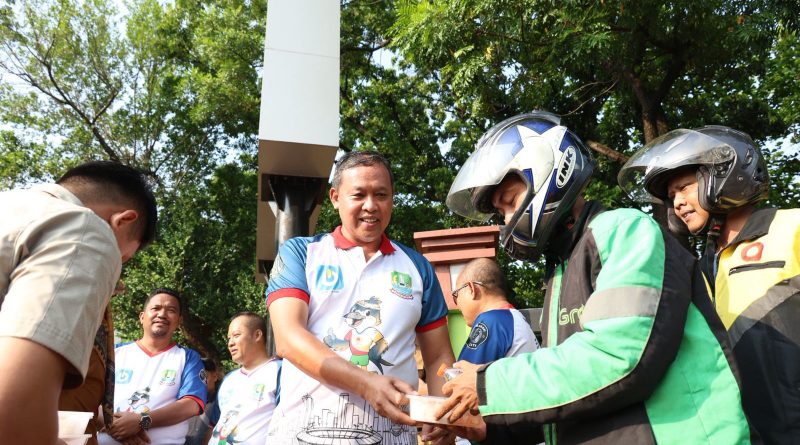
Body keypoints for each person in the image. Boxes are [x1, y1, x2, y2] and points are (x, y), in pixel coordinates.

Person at [434, 111, 756, 444]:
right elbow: (572, 393)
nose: (508, 220)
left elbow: (619, 359)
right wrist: (486, 427)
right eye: (502, 213)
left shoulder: (625, 231)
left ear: (549, 173)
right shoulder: (561, 269)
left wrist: (487, 385)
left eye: (510, 202)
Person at [618, 126, 800, 443]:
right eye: (672, 196)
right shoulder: (698, 270)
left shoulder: (790, 227)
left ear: (726, 174)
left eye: (684, 187)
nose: (677, 202)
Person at [264, 150, 455, 445]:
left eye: (381, 194)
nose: (370, 206)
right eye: (358, 195)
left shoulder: (418, 268)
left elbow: (439, 356)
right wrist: (366, 384)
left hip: (392, 436)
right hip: (301, 434)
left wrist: (442, 415)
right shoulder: (300, 253)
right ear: (335, 197)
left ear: (392, 198)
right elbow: (288, 338)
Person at [0, 160, 157, 444]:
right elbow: (15, 407)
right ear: (123, 221)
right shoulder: (86, 230)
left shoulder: (11, 206)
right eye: (124, 258)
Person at [98, 288, 207, 445]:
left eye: (171, 310)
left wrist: (142, 421)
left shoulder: (188, 358)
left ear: (179, 321)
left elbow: (191, 405)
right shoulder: (114, 353)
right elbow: (90, 399)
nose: (162, 314)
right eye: (156, 308)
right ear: (142, 317)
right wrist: (115, 427)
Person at [204, 312, 281, 445]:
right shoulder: (228, 379)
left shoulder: (280, 371)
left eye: (236, 335)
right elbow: (214, 425)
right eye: (229, 338)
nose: (230, 343)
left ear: (257, 335)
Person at [452, 257, 539, 365]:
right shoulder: (512, 319)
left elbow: (462, 378)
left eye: (456, 295)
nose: (458, 306)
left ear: (471, 289)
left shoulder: (491, 321)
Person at [184, 358, 221, 445]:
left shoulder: (222, 403)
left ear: (215, 377)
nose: (198, 381)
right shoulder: (182, 399)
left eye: (203, 376)